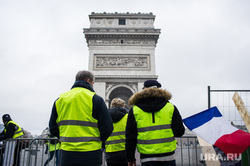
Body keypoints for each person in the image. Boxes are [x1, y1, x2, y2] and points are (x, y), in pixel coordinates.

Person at [49, 70, 113, 166]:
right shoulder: (96, 99)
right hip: (91, 152)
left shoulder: (60, 100)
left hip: (67, 152)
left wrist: (64, 138)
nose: (93, 86)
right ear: (88, 81)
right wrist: (99, 141)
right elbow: (107, 128)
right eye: (93, 83)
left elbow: (52, 127)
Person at [126, 80, 185, 166]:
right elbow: (179, 132)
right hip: (168, 156)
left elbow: (130, 137)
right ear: (160, 90)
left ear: (143, 90)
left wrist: (130, 158)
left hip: (147, 157)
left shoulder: (135, 110)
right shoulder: (170, 107)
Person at [105, 98, 129, 166]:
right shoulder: (127, 117)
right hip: (124, 151)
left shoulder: (105, 117)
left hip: (110, 150)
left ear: (111, 106)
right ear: (123, 106)